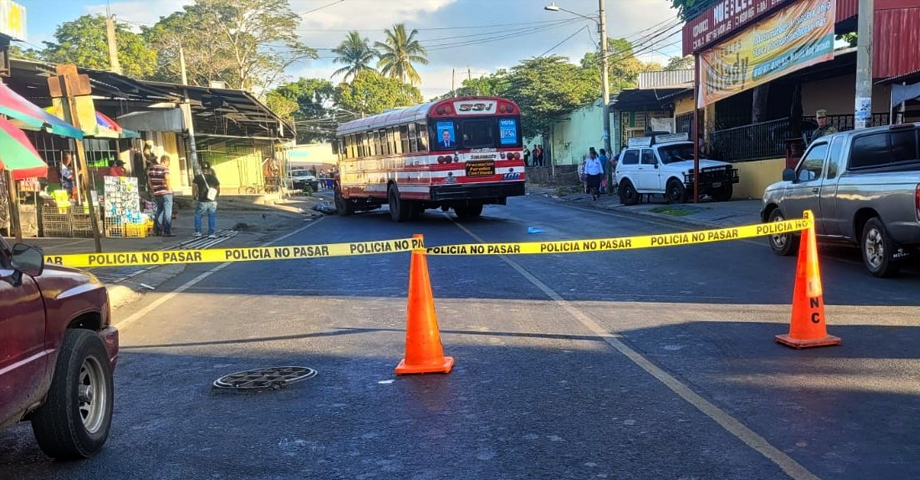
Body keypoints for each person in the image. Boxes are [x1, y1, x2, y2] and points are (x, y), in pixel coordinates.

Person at [147, 155, 174, 237]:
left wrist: (153, 187)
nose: (168, 165)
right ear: (165, 161)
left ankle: (158, 230)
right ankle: (167, 231)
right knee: (167, 212)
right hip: (166, 192)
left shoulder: (152, 168)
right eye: (168, 163)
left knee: (159, 210)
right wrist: (169, 188)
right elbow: (167, 177)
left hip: (157, 192)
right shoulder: (164, 168)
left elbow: (149, 180)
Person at [192, 162, 220, 238]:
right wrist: (216, 195)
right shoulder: (214, 178)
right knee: (212, 216)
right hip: (212, 200)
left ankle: (198, 232)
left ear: (201, 168)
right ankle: (211, 233)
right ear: (209, 169)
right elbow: (218, 188)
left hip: (202, 200)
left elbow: (194, 187)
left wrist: (194, 196)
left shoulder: (198, 177)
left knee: (198, 215)